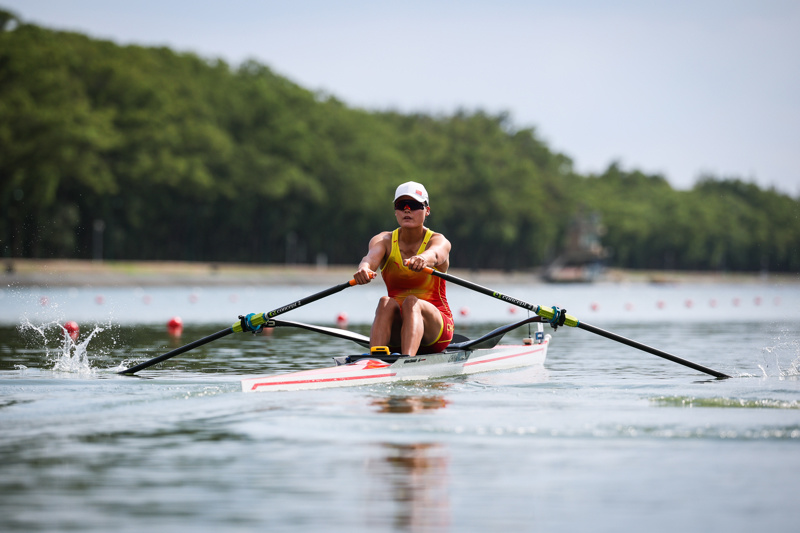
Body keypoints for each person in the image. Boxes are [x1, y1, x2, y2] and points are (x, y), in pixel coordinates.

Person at [354, 182, 454, 356]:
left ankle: (407, 360)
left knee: (411, 302)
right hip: (398, 332)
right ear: (395, 211)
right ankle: (375, 360)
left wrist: (423, 259)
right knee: (385, 302)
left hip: (436, 332)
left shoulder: (439, 240)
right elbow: (369, 259)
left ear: (427, 210)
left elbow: (437, 254)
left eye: (414, 205)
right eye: (401, 206)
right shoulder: (383, 240)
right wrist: (364, 268)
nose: (407, 210)